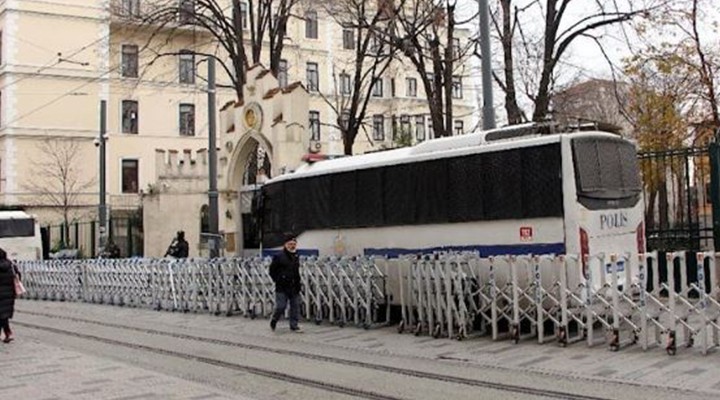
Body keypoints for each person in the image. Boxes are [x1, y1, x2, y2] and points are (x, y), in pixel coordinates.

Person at [269, 234, 302, 332]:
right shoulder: (279, 256)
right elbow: (272, 270)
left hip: (294, 285)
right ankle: (274, 319)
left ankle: (294, 325)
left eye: (294, 244)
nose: (292, 246)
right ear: (285, 244)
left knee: (295, 306)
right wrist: (278, 280)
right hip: (282, 286)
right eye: (290, 244)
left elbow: (296, 271)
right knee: (281, 306)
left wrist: (298, 283)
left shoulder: (296, 255)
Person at [0, 248, 18, 343]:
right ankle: (8, 333)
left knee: (2, 315)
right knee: (4, 315)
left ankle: (8, 333)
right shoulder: (11, 265)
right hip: (10, 293)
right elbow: (18, 275)